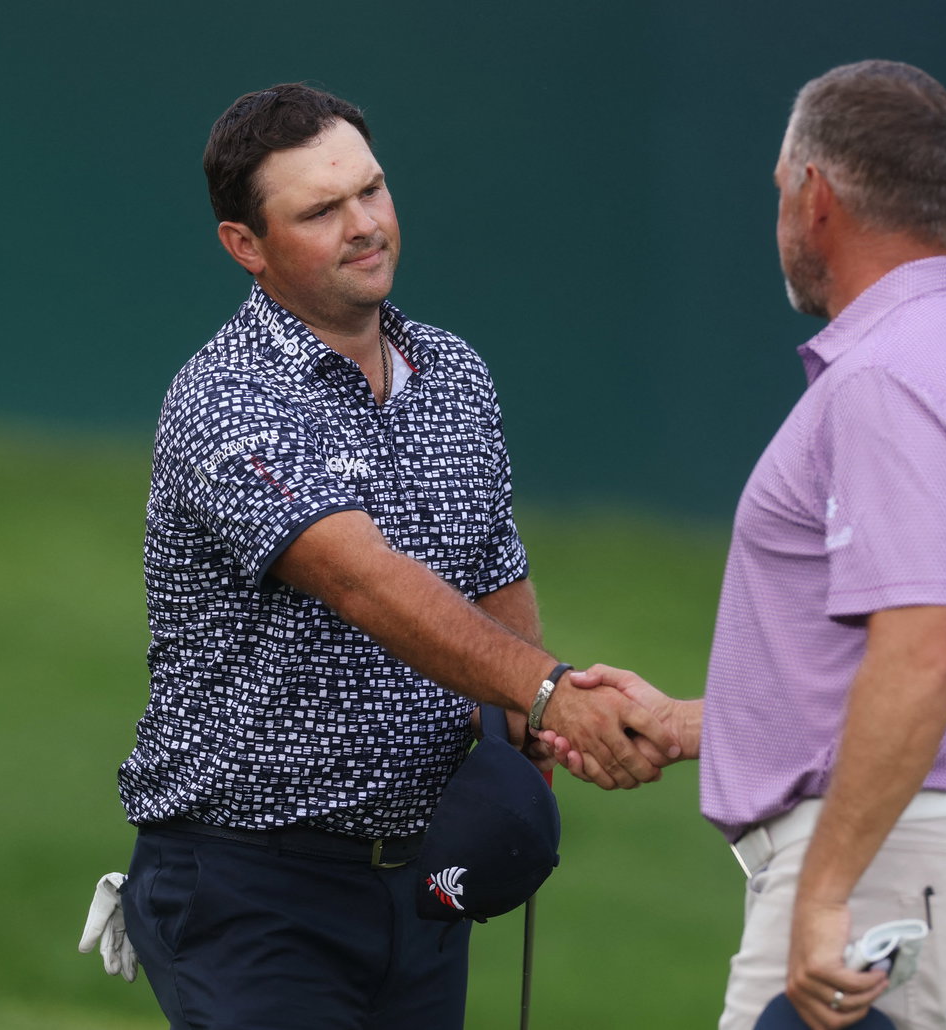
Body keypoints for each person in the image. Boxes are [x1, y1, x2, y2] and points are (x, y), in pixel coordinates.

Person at [106, 82, 677, 1030]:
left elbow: (492, 568)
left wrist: (539, 726)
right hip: (250, 890)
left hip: (422, 884)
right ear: (244, 246)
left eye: (370, 191)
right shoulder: (225, 400)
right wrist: (548, 690)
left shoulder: (453, 374)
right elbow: (362, 581)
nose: (364, 225)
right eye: (321, 211)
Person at [554, 60, 946, 1030]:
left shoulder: (887, 379)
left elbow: (921, 654)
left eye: (779, 191)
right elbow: (883, 671)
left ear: (815, 195)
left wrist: (827, 891)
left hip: (888, 879)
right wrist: (686, 725)